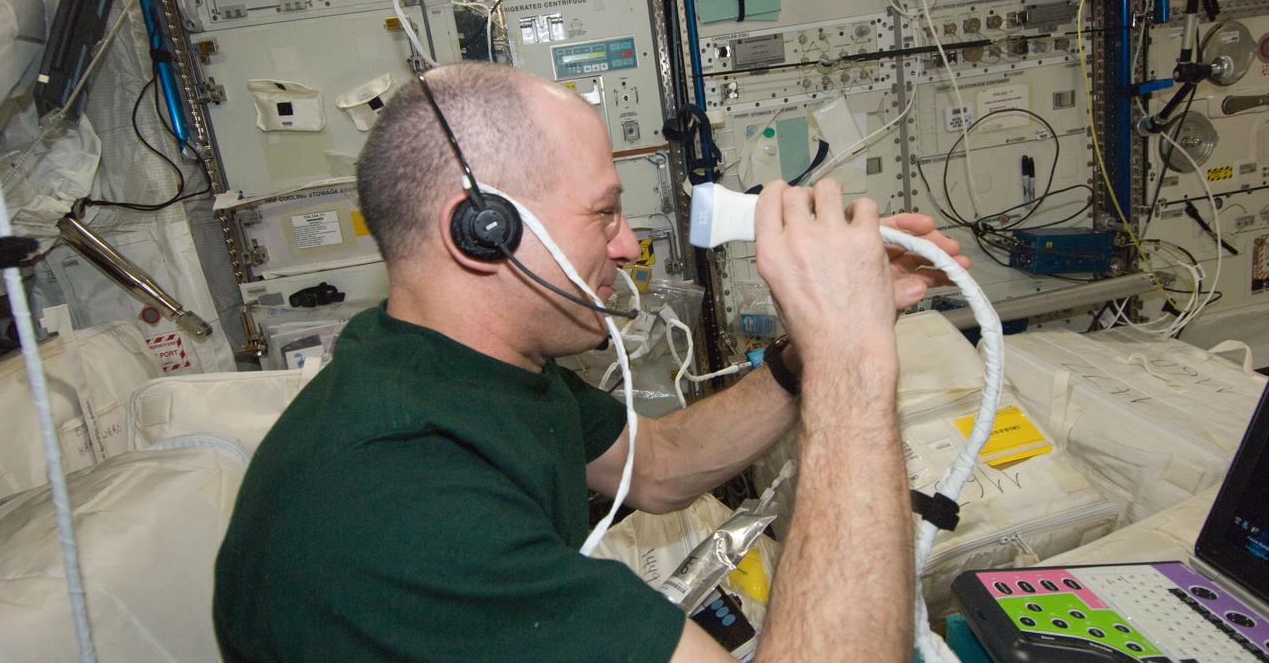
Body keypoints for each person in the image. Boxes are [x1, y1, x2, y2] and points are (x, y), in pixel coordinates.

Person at [213, 62, 968, 662]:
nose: (624, 244)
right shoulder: (397, 503)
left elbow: (659, 465)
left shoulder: (449, 367)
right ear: (483, 232)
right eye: (602, 212)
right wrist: (851, 363)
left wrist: (810, 352)